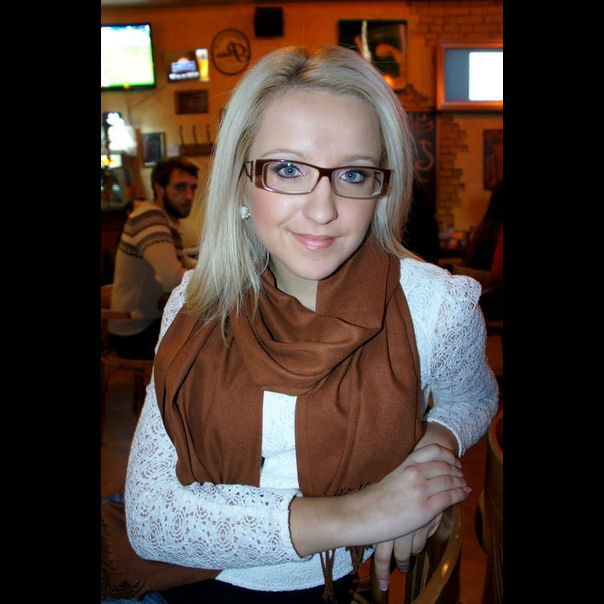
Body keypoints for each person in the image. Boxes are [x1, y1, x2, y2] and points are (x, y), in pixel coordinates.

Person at [101, 46, 498, 603]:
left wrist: (430, 452)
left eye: (353, 173)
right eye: (288, 169)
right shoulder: (195, 301)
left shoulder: (436, 307)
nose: (322, 210)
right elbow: (150, 523)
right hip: (173, 579)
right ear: (241, 180)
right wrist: (366, 513)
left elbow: (472, 398)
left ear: (381, 186)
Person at [107, 157, 199, 360]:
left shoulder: (161, 220)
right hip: (135, 331)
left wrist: (214, 270)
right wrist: (214, 280)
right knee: (209, 343)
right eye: (180, 187)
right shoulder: (150, 218)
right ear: (159, 188)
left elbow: (182, 261)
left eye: (193, 188)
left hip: (146, 323)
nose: (189, 196)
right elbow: (172, 280)